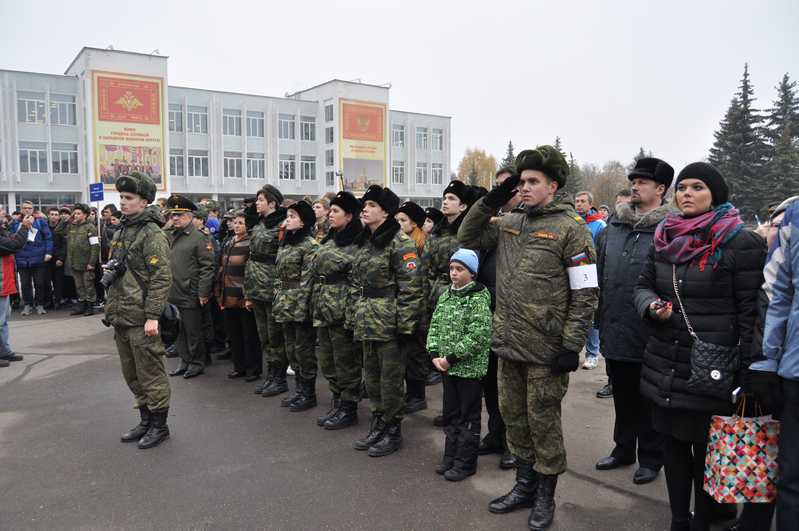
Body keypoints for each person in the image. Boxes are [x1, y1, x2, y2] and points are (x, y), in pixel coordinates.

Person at [459, 145, 598, 530]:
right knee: (515, 420)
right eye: (521, 182)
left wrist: (572, 345)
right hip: (508, 343)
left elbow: (586, 293)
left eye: (533, 181)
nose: (525, 188)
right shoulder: (510, 221)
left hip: (546, 349)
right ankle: (523, 486)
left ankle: (544, 496)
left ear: (553, 185)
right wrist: (494, 197)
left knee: (543, 424)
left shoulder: (573, 228)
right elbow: (467, 233)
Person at [633, 163, 766, 531]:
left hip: (715, 369)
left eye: (697, 187)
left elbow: (752, 314)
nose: (686, 193)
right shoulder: (665, 237)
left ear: (716, 196)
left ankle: (704, 521)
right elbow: (643, 286)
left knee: (710, 452)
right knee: (674, 447)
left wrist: (749, 372)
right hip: (667, 363)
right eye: (682, 188)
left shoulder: (741, 242)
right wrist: (650, 306)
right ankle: (679, 520)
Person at [594, 157, 674, 485]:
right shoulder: (614, 224)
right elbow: (600, 272)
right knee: (624, 394)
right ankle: (623, 448)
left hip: (652, 328)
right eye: (633, 181)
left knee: (649, 399)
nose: (634, 186)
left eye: (642, 182)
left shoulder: (671, 228)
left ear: (660, 189)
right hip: (615, 324)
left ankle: (652, 458)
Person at [351, 185, 422, 457]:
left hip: (389, 323)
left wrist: (405, 327)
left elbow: (411, 289)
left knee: (390, 380)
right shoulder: (365, 240)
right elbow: (356, 283)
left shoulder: (401, 243)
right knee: (373, 378)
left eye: (370, 205)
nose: (365, 209)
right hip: (367, 318)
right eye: (364, 205)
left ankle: (393, 431)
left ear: (385, 212)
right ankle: (379, 423)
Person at [104, 171, 173, 449]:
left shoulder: (152, 234)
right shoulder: (122, 229)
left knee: (150, 373)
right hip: (122, 315)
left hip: (142, 317)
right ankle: (145, 420)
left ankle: (160, 425)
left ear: (144, 201)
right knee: (132, 374)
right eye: (120, 197)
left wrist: (153, 316)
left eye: (128, 197)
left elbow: (161, 278)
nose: (122, 202)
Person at [748, 196, 798, 531]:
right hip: (794, 373)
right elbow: (778, 293)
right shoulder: (794, 217)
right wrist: (767, 362)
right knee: (791, 476)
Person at [428, 249, 492, 481]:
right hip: (446, 367)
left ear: (472, 273)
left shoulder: (478, 298)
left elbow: (478, 335)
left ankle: (465, 462)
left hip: (468, 370)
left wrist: (451, 358)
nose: (454, 273)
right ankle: (451, 455)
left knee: (468, 417)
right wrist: (435, 354)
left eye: (460, 269)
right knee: (450, 414)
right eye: (452, 268)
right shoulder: (446, 296)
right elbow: (434, 325)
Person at [477, 166, 523, 471]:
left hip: (513, 313)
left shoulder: (524, 220)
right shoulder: (492, 219)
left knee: (510, 386)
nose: (502, 191)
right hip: (486, 307)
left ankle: (512, 442)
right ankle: (496, 433)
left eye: (507, 186)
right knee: (489, 382)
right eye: (497, 186)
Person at [312, 191, 363, 429]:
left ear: (349, 215)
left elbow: (357, 283)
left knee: (346, 362)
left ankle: (348, 407)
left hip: (341, 310)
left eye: (335, 211)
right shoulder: (331, 238)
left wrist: (352, 316)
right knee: (329, 361)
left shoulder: (357, 244)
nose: (330, 215)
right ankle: (338, 401)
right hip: (324, 307)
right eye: (330, 211)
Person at [273, 200, 319, 412]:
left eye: (292, 216)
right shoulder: (287, 242)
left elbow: (308, 280)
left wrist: (301, 310)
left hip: (299, 306)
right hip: (284, 303)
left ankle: (308, 392)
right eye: (287, 216)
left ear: (303, 223)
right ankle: (299, 389)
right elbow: (278, 275)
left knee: (304, 351)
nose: (287, 220)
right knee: (291, 350)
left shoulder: (309, 245)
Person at [244, 185, 289, 398]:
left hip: (271, 286)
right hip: (257, 285)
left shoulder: (282, 225)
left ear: (272, 203)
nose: (256, 203)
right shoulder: (261, 223)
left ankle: (279, 378)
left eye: (260, 199)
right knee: (264, 336)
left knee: (275, 335)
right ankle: (272, 374)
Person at [165, 195, 215, 379]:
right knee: (178, 332)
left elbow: (207, 268)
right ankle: (184, 362)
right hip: (172, 293)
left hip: (190, 292)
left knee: (193, 332)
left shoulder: (199, 238)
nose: (175, 218)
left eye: (179, 214)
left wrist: (203, 293)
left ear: (190, 217)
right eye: (173, 215)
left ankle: (196, 363)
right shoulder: (169, 236)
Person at [216, 211, 262, 382]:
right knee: (234, 334)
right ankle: (239, 367)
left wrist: (249, 295)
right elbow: (222, 268)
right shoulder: (229, 243)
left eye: (241, 223)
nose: (236, 225)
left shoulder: (251, 244)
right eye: (235, 222)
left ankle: (253, 370)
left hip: (243, 297)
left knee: (249, 335)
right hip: (228, 295)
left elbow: (251, 272)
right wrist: (219, 291)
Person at [396, 200, 431, 414]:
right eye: (397, 219)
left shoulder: (422, 246)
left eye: (403, 220)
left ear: (414, 223)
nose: (399, 223)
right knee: (408, 352)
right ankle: (411, 392)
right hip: (408, 304)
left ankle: (418, 395)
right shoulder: (402, 243)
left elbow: (423, 280)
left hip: (421, 306)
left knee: (417, 352)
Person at [574, 191, 607, 370]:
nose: (579, 204)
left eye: (582, 201)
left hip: (591, 275)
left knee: (591, 313)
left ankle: (592, 354)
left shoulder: (599, 225)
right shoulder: (571, 221)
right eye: (577, 201)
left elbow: (602, 252)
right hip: (572, 274)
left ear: (591, 204)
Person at [53, 203, 100, 317]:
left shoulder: (90, 227)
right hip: (75, 263)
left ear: (85, 215)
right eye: (75, 213)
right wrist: (66, 220)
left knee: (88, 285)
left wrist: (92, 263)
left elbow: (95, 246)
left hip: (86, 263)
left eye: (78, 214)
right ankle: (82, 305)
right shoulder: (71, 226)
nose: (76, 216)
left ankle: (89, 306)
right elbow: (58, 231)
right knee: (79, 286)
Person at [0, 208, 32, 367]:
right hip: (1, 283)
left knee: (3, 320)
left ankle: (4, 351)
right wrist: (25, 227)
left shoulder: (2, 228)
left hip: (4, 282)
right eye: (0, 210)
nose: (3, 212)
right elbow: (14, 245)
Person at [10, 200, 52, 315]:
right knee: (25, 284)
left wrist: (48, 252)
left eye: (29, 208)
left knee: (39, 283)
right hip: (21, 257)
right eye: (24, 208)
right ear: (21, 209)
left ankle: (39, 304)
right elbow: (11, 238)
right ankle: (28, 304)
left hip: (38, 257)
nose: (27, 210)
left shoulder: (40, 221)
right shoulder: (16, 222)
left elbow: (48, 237)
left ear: (33, 209)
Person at [46, 208, 67, 310]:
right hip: (46, 258)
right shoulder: (45, 227)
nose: (54, 216)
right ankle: (49, 300)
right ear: (48, 215)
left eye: (56, 215)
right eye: (52, 214)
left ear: (59, 216)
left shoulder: (62, 228)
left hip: (58, 258)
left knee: (58, 281)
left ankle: (57, 301)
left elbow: (64, 245)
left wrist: (61, 259)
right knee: (46, 281)